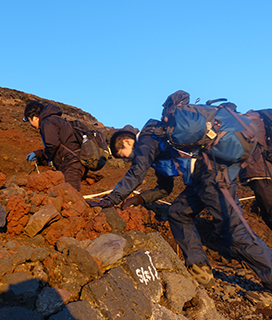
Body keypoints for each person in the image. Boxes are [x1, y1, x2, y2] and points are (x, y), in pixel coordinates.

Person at [88, 91, 272, 292]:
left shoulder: (147, 140)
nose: (125, 160)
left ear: (126, 142)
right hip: (204, 178)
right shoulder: (158, 144)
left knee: (234, 232)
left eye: (122, 155)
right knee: (178, 213)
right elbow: (164, 189)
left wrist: (111, 199)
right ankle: (200, 271)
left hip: (211, 174)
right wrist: (139, 199)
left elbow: (137, 172)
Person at [24, 100, 86, 192]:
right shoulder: (56, 119)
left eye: (29, 120)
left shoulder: (47, 122)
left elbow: (52, 144)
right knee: (69, 195)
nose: (30, 124)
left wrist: (41, 155)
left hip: (71, 163)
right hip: (75, 160)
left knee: (71, 197)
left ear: (34, 117)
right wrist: (38, 154)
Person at [239, 110, 272, 231]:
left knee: (269, 213)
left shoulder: (244, 120)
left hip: (259, 171)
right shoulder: (264, 118)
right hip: (266, 169)